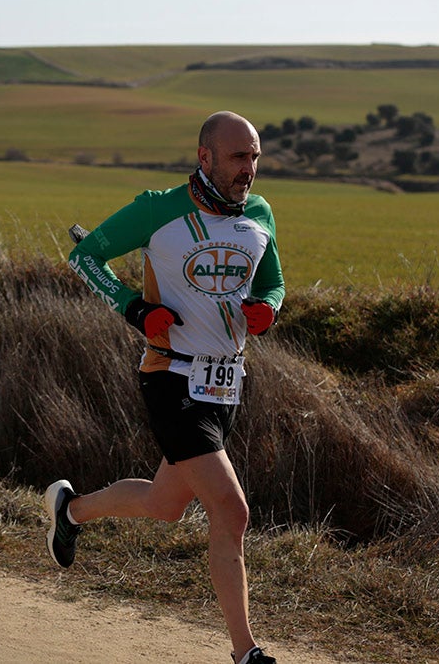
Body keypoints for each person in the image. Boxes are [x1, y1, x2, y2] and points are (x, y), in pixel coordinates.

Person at [46, 111, 284, 664]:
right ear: (204, 157)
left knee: (164, 505)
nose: (248, 169)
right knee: (233, 511)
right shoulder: (158, 209)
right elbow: (86, 257)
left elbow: (273, 281)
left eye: (254, 157)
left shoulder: (260, 213)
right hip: (170, 376)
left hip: (227, 382)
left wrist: (267, 309)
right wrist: (136, 308)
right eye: (236, 157)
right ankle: (246, 653)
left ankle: (70, 512)